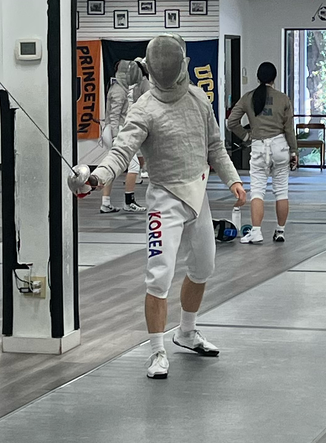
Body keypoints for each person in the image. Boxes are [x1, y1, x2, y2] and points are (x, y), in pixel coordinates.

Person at [83, 31, 242, 379]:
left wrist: (233, 180)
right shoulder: (144, 108)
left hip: (197, 194)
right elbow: (121, 150)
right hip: (164, 199)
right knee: (159, 276)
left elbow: (215, 146)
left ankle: (186, 332)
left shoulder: (199, 100)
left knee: (203, 268)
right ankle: (156, 350)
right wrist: (96, 177)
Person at [226, 60, 296, 244]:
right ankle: (280, 231)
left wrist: (247, 137)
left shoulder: (248, 97)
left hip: (258, 146)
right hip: (280, 146)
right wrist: (294, 152)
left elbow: (231, 122)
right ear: (274, 78)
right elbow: (289, 129)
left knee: (257, 191)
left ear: (258, 77)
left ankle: (256, 232)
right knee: (281, 192)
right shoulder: (283, 99)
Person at [97, 55, 147, 215]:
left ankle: (105, 203)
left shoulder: (119, 88)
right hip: (115, 132)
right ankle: (129, 201)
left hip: (113, 131)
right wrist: (116, 136)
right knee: (133, 166)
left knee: (112, 168)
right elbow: (114, 115)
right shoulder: (119, 90)